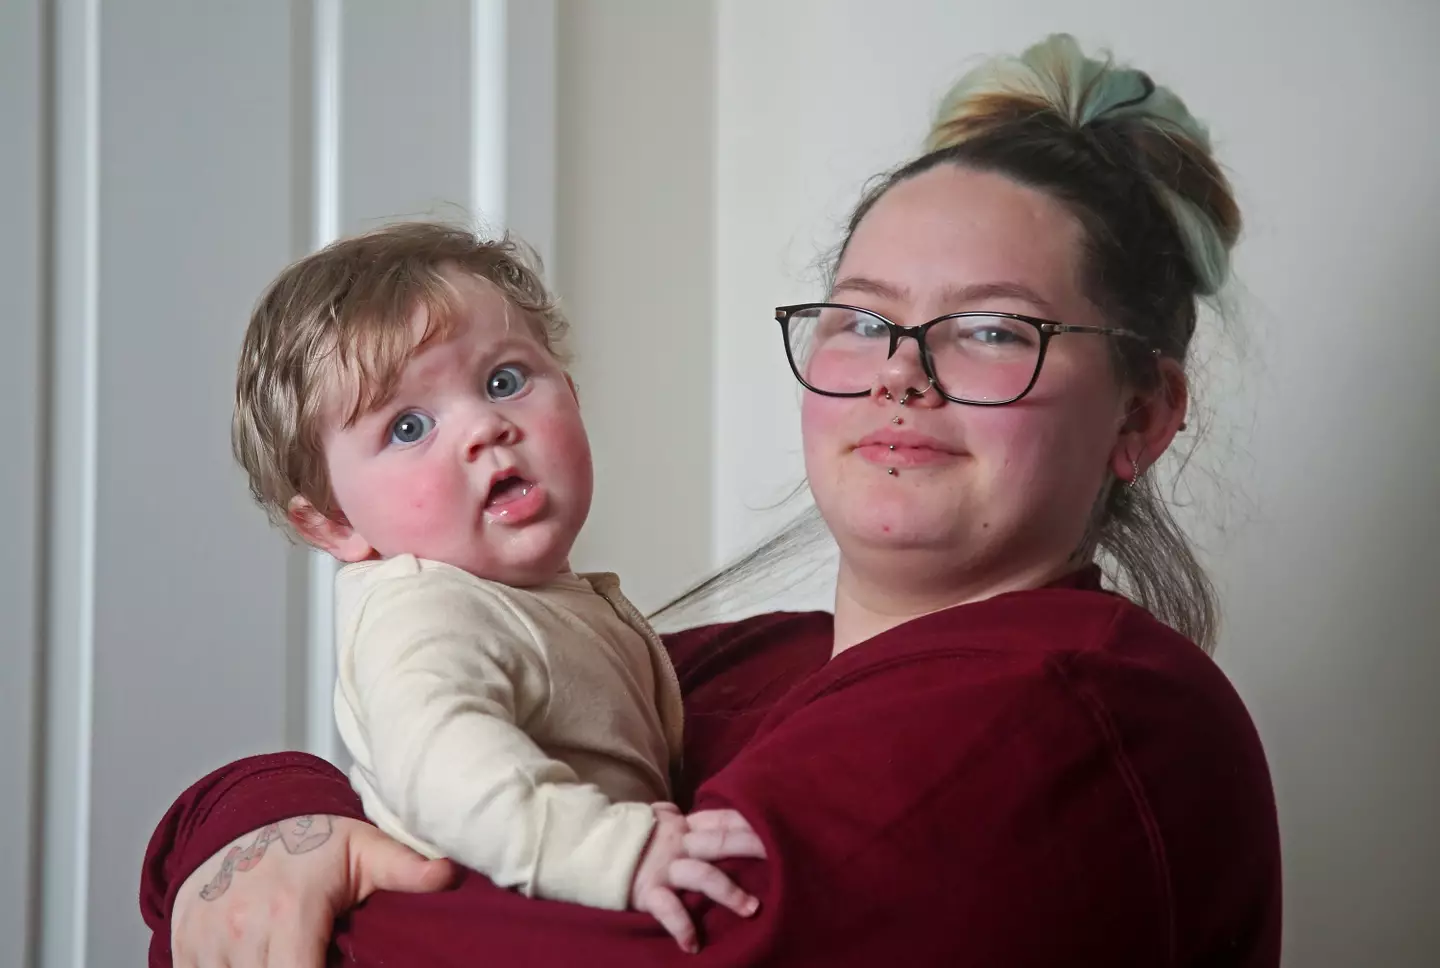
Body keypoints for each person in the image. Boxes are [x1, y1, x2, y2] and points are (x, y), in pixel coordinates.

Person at [141, 34, 1282, 967]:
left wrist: (290, 858)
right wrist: (262, 810)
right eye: (866, 319)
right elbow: (426, 759)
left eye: (991, 329)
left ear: (1141, 414)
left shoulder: (1083, 712)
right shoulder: (728, 667)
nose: (900, 372)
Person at [223, 221, 764, 950]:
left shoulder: (524, 596)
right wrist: (616, 851)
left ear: (569, 394)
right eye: (409, 426)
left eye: (504, 381)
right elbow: (444, 771)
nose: (484, 425)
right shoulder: (421, 613)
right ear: (333, 524)